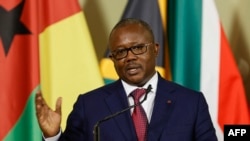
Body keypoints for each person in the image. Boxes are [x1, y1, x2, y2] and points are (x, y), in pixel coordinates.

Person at [35, 18, 218, 141]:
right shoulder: (89, 105)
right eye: (120, 52)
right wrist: (53, 136)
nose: (130, 57)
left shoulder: (191, 103)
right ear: (113, 59)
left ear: (155, 49)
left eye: (138, 48)